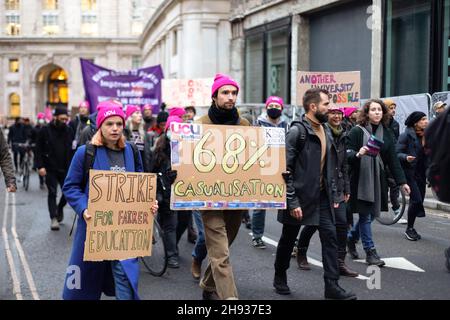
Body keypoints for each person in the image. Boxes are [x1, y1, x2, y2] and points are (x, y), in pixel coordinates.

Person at [62, 102, 158, 300]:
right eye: (109, 124)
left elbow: (139, 183)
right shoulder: (85, 152)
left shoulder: (131, 151)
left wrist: (148, 203)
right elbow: (70, 187)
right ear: (100, 126)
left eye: (119, 124)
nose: (115, 128)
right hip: (94, 227)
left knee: (125, 278)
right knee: (86, 285)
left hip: (124, 228)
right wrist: (84, 208)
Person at [273, 88, 356, 300]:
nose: (329, 108)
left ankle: (332, 286)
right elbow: (284, 169)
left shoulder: (326, 131)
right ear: (313, 107)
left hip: (322, 197)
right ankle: (280, 276)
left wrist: (336, 194)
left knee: (330, 238)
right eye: (326, 104)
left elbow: (332, 167)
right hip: (299, 197)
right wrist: (292, 202)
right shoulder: (297, 132)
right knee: (288, 238)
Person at [195, 73, 250, 300]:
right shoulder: (200, 125)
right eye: (225, 92)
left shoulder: (245, 125)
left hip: (236, 197)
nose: (230, 97)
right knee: (221, 252)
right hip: (209, 198)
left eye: (234, 93)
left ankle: (208, 285)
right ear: (214, 96)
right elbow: (187, 162)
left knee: (225, 247)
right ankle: (230, 298)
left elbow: (254, 160)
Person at [295, 106, 358, 277]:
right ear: (326, 114)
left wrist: (346, 187)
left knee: (342, 224)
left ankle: (340, 262)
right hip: (322, 186)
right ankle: (301, 251)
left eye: (339, 113)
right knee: (314, 223)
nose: (337, 116)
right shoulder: (322, 132)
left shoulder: (344, 132)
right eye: (333, 113)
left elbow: (344, 164)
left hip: (338, 187)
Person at [346, 99, 410, 265]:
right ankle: (370, 252)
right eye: (373, 110)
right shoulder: (356, 131)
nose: (377, 112)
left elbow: (393, 160)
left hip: (378, 179)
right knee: (366, 216)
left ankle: (351, 238)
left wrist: (402, 182)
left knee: (371, 215)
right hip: (360, 179)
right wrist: (358, 154)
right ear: (366, 113)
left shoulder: (387, 133)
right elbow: (347, 155)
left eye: (380, 110)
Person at [146, 110, 185, 269]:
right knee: (170, 224)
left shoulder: (187, 148)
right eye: (172, 128)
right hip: (165, 193)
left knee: (182, 223)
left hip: (184, 194)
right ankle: (171, 254)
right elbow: (151, 172)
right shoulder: (159, 148)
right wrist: (164, 180)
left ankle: (171, 244)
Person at [251, 96, 288, 249]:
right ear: (266, 107)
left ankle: (289, 238)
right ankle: (257, 236)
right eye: (271, 105)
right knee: (260, 204)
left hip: (281, 168)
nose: (274, 107)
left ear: (282, 108)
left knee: (287, 203)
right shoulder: (258, 123)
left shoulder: (287, 125)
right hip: (262, 167)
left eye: (277, 105)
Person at [36, 107, 74, 231]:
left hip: (66, 168)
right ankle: (53, 218)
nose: (64, 121)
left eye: (66, 119)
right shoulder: (45, 130)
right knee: (52, 193)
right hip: (50, 168)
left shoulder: (69, 130)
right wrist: (40, 166)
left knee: (68, 193)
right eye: (62, 118)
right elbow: (38, 149)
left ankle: (60, 208)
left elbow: (73, 150)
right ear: (55, 117)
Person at [396, 111, 428, 241]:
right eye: (423, 119)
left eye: (426, 119)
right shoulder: (406, 136)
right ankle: (409, 228)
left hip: (422, 174)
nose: (426, 121)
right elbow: (397, 153)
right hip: (410, 173)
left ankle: (411, 226)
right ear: (415, 123)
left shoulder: (427, 136)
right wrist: (406, 157)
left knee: (419, 200)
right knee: (416, 200)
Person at [383, 98, 405, 223]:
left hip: (392, 158)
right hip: (380, 159)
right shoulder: (380, 123)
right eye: (390, 108)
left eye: (394, 108)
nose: (393, 111)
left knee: (394, 185)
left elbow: (396, 141)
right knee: (382, 186)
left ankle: (396, 209)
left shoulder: (395, 124)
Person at [29, 112, 46, 189]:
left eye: (42, 119)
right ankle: (41, 181)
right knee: (40, 165)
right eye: (40, 119)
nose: (41, 120)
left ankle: (45, 179)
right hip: (37, 149)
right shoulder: (34, 129)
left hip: (46, 150)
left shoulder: (46, 128)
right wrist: (31, 144)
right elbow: (31, 138)